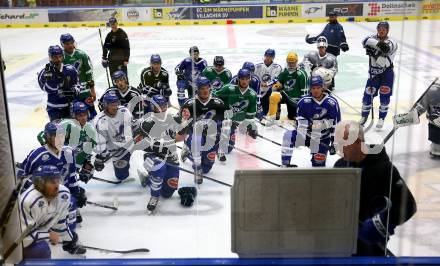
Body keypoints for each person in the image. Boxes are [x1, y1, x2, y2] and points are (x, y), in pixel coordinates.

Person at [333, 120, 417, 256]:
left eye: (342, 144)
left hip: (372, 246)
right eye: (337, 144)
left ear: (358, 142)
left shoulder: (385, 169)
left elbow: (408, 205)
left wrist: (383, 222)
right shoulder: (340, 165)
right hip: (343, 241)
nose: (338, 149)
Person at [17, 122, 86, 237]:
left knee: (72, 202)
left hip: (61, 192)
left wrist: (76, 193)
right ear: (48, 137)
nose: (60, 139)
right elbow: (22, 176)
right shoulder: (37, 155)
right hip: (43, 194)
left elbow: (72, 176)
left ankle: (67, 236)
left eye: (61, 135)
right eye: (55, 135)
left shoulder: (68, 152)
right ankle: (45, 227)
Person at [133, 95, 188, 212]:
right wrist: (138, 139)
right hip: (153, 156)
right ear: (153, 107)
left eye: (163, 106)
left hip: (171, 156)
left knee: (168, 193)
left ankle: (147, 179)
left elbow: (184, 134)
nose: (162, 109)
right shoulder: (146, 122)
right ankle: (154, 196)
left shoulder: (174, 119)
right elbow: (137, 140)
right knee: (159, 169)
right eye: (159, 107)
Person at [19, 165, 86, 259]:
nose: (57, 185)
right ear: (40, 184)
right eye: (52, 182)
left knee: (72, 201)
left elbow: (60, 221)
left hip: (36, 230)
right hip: (16, 239)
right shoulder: (28, 201)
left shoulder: (63, 194)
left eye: (58, 181)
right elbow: (22, 238)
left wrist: (69, 239)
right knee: (40, 249)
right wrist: (47, 236)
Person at [281, 75, 340, 167]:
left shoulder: (331, 103)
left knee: (318, 166)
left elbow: (336, 124)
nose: (316, 90)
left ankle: (316, 154)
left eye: (318, 87)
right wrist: (309, 126)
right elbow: (300, 122)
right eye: (313, 88)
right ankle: (285, 164)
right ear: (310, 88)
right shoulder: (303, 101)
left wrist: (334, 143)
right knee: (288, 136)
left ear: (322, 87)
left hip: (323, 138)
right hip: (306, 135)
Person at [180, 77, 225, 182]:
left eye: (207, 87)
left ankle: (188, 153)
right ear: (197, 89)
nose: (205, 90)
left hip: (211, 135)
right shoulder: (190, 103)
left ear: (210, 88)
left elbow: (222, 121)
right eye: (202, 88)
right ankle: (197, 168)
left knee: (207, 167)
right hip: (195, 134)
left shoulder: (218, 103)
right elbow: (182, 123)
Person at [213, 69, 258, 162]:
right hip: (224, 118)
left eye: (246, 79)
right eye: (242, 79)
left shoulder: (252, 95)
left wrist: (250, 127)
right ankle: (214, 141)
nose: (244, 81)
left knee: (228, 149)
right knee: (224, 127)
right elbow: (214, 97)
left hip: (236, 122)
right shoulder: (229, 89)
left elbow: (250, 116)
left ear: (250, 79)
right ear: (238, 79)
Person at [359, 21, 398, 129]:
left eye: (384, 29)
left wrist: (374, 52)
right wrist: (377, 46)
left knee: (384, 98)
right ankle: (364, 117)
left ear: (387, 30)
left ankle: (381, 118)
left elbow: (384, 61)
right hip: (373, 74)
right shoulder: (372, 37)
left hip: (387, 74)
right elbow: (364, 41)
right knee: (367, 97)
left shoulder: (393, 43)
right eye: (380, 28)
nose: (381, 30)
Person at [94, 93, 133, 181]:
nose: (115, 107)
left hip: (131, 143)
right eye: (112, 105)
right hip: (117, 151)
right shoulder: (100, 121)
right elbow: (101, 142)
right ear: (105, 105)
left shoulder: (124, 111)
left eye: (116, 104)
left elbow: (133, 124)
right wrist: (101, 157)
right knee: (122, 176)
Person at [38, 45, 80, 121]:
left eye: (59, 56)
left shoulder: (71, 70)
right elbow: (48, 89)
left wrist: (74, 90)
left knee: (70, 130)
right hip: (53, 108)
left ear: (62, 56)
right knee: (57, 131)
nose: (58, 59)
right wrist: (52, 78)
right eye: (55, 57)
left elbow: (77, 85)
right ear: (50, 57)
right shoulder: (45, 72)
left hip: (68, 107)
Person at [60, 33, 97, 119]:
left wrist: (92, 90)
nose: (70, 45)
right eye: (67, 43)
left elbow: (89, 73)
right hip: (70, 93)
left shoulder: (82, 55)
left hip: (85, 91)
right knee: (74, 116)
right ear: (62, 44)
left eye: (71, 42)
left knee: (92, 115)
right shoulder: (60, 57)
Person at [266, 51, 308, 126]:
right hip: (285, 95)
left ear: (296, 62)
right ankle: (274, 116)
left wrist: (302, 105)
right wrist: (279, 85)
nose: (291, 64)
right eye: (289, 62)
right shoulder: (284, 72)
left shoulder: (301, 74)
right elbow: (278, 83)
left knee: (291, 117)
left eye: (293, 62)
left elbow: (305, 93)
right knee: (274, 96)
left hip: (295, 99)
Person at [414, 82, 440, 158]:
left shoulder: (432, 90)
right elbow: (420, 108)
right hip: (435, 126)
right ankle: (437, 148)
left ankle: (436, 149)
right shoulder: (433, 91)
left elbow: (420, 108)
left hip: (435, 124)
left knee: (436, 149)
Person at [254, 49, 282, 117]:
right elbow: (252, 77)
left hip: (270, 91)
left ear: (273, 57)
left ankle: (277, 110)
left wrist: (266, 84)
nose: (268, 58)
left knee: (276, 93)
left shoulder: (277, 67)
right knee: (257, 111)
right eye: (267, 56)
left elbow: (276, 79)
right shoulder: (257, 66)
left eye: (270, 56)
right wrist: (258, 84)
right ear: (264, 56)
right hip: (259, 91)